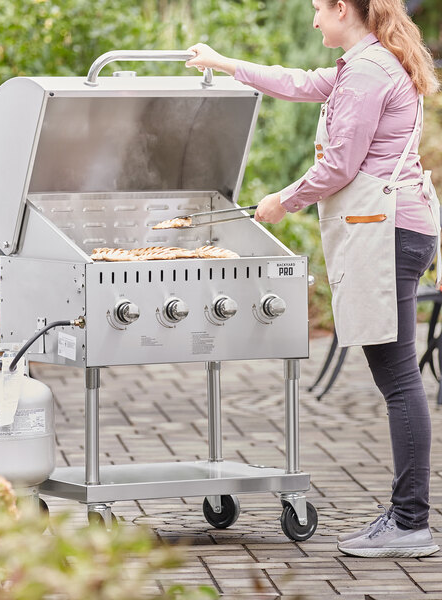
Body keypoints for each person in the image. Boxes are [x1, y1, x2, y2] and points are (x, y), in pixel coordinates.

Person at [187, 0, 440, 558]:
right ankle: (408, 517)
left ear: (343, 9)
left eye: (317, 11)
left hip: (389, 231)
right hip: (399, 227)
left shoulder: (369, 72)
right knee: (396, 374)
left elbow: (339, 166)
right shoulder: (365, 62)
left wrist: (284, 201)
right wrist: (226, 63)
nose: (313, 21)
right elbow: (299, 81)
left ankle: (410, 521)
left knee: (398, 378)